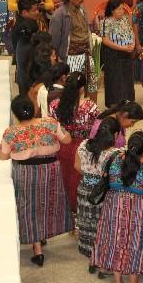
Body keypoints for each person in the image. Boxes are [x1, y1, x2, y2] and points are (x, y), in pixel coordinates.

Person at [0, 96, 72, 266]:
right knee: (48, 202)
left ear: (16, 114)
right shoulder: (50, 123)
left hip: (25, 172)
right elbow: (67, 140)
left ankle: (37, 248)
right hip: (50, 169)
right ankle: (43, 233)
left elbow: (3, 156)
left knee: (28, 206)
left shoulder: (11, 132)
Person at [90, 132, 143, 283]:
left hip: (114, 205)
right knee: (135, 243)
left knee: (114, 240)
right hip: (138, 207)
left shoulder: (114, 158)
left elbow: (105, 176)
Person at [74, 116, 120, 272]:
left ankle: (91, 258)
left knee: (88, 224)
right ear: (115, 135)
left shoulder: (83, 146)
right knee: (103, 225)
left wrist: (90, 177)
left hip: (85, 189)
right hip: (103, 194)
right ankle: (102, 263)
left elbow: (77, 166)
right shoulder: (115, 154)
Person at [50, 72, 100, 214]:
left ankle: (63, 213)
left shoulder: (54, 105)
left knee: (63, 179)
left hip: (62, 146)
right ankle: (77, 212)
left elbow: (53, 126)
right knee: (78, 182)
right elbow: (97, 128)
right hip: (83, 148)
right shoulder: (90, 107)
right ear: (82, 89)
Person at [50, 0, 98, 102]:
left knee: (93, 83)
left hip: (86, 54)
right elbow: (53, 40)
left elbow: (87, 31)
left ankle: (92, 110)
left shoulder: (82, 11)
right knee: (72, 87)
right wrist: (58, 59)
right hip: (70, 57)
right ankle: (73, 113)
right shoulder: (59, 15)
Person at [99, 0, 135, 108]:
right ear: (112, 10)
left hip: (127, 52)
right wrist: (121, 48)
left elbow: (131, 32)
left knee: (127, 78)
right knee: (114, 78)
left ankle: (128, 101)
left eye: (122, 9)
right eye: (119, 9)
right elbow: (105, 40)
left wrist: (132, 44)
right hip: (113, 54)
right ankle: (114, 103)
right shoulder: (105, 21)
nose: (122, 11)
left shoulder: (124, 19)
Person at [12, 0, 40, 94]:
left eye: (38, 9)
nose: (37, 12)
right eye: (34, 10)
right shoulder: (24, 27)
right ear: (24, 12)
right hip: (27, 76)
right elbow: (24, 57)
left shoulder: (30, 23)